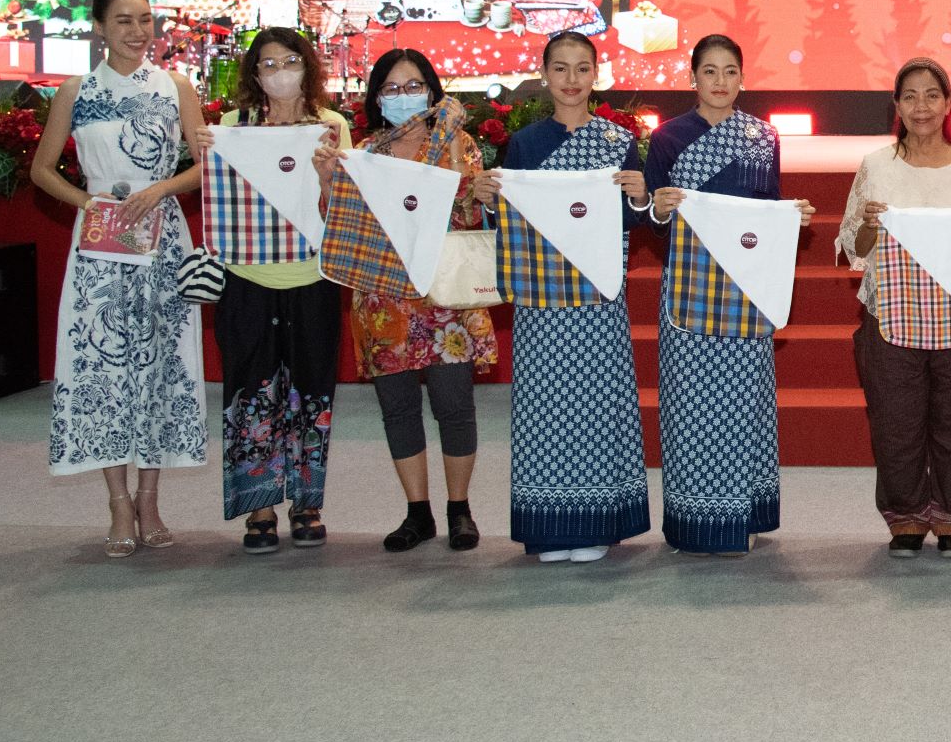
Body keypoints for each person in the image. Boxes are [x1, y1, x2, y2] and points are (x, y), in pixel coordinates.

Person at [31, 0, 208, 556]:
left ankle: (150, 498)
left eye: (146, 20)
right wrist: (90, 205)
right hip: (100, 247)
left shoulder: (175, 86)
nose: (138, 31)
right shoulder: (75, 91)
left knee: (159, 366)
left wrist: (160, 189)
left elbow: (206, 165)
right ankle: (118, 502)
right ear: (100, 28)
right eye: (124, 21)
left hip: (163, 241)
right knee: (103, 366)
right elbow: (42, 170)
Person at [478, 32, 650, 563]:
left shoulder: (617, 141)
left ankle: (595, 522)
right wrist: (489, 200)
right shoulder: (525, 143)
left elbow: (631, 221)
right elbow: (511, 221)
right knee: (544, 410)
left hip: (597, 296)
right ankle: (548, 529)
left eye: (582, 68)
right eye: (560, 68)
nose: (571, 80)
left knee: (595, 408)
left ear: (596, 74)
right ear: (544, 74)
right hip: (541, 297)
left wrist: (639, 197)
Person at [838, 58, 951, 556]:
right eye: (910, 96)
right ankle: (906, 518)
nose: (922, 106)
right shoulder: (877, 166)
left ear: (949, 103)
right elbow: (856, 248)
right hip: (891, 318)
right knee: (895, 422)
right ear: (896, 106)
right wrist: (871, 224)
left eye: (932, 95)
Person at [320, 50, 495, 554]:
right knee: (398, 411)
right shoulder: (364, 154)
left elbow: (468, 218)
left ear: (432, 91)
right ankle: (417, 512)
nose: (404, 97)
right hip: (384, 299)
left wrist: (472, 185)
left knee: (454, 408)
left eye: (414, 86)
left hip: (445, 298)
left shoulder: (459, 143)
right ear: (377, 98)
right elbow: (340, 227)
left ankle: (459, 509)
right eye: (392, 89)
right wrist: (328, 180)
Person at [645, 34, 811, 555]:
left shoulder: (762, 137)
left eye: (730, 71)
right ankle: (694, 522)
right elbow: (651, 216)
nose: (720, 82)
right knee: (690, 405)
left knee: (744, 403)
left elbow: (768, 208)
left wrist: (791, 217)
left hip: (746, 286)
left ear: (743, 78)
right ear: (692, 78)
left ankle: (740, 516)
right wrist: (659, 209)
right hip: (689, 285)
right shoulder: (668, 138)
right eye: (710, 71)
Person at [190, 26, 351, 554]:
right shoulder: (231, 127)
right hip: (248, 280)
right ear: (254, 74)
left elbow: (346, 209)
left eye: (290, 61)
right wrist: (208, 155)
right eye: (269, 64)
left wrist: (327, 175)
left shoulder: (331, 126)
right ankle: (259, 505)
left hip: (313, 278)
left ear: (308, 67)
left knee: (312, 390)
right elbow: (219, 197)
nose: (281, 73)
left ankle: (306, 504)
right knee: (251, 390)